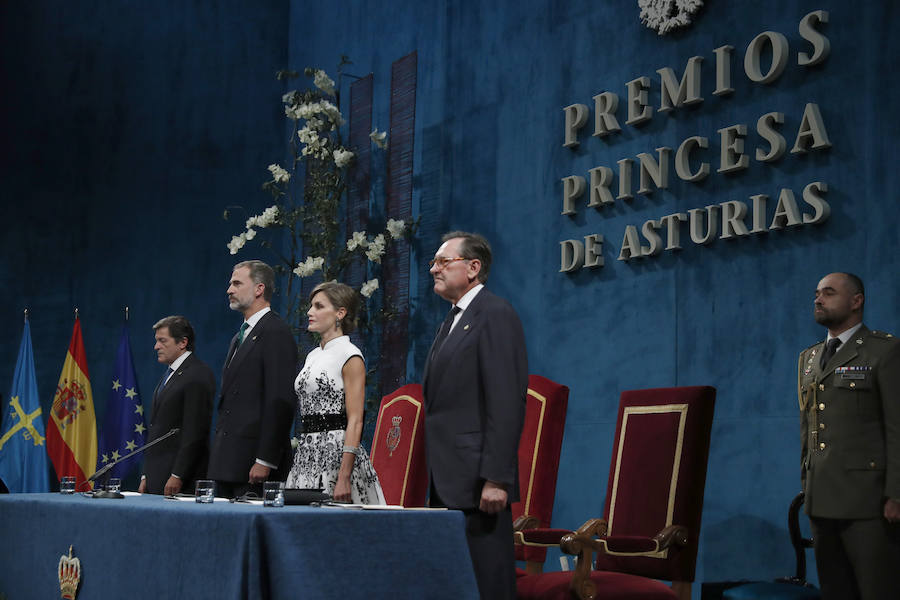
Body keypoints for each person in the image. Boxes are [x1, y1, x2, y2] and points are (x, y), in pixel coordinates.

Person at [423, 231, 528, 600]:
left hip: (478, 484)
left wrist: (497, 478)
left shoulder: (495, 314)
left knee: (486, 587)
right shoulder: (451, 320)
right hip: (446, 481)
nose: (433, 268)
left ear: (473, 267)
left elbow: (506, 401)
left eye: (442, 261)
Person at [798, 272, 900, 599]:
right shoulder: (809, 358)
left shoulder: (884, 351)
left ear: (857, 301)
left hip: (869, 502)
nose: (818, 299)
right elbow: (809, 426)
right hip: (821, 497)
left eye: (828, 293)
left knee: (876, 591)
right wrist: (806, 482)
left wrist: (897, 494)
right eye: (816, 293)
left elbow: (897, 426)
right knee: (835, 591)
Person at [285, 281, 385, 504]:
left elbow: (356, 420)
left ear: (340, 313)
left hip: (337, 455)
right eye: (311, 306)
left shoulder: (350, 355)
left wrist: (344, 475)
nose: (310, 312)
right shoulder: (313, 355)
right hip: (307, 454)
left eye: (319, 306)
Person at [207, 260, 298, 498]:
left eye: (237, 283)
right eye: (230, 284)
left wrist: (265, 459)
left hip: (253, 465)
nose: (229, 290)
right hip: (228, 463)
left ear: (259, 289)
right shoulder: (240, 336)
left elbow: (280, 400)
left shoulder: (276, 332)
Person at [139, 316, 215, 496]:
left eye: (162, 341)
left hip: (179, 481)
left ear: (182, 342)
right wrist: (145, 475)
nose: (156, 347)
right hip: (156, 477)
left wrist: (178, 474)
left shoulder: (197, 374)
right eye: (156, 341)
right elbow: (157, 429)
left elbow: (195, 431)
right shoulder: (170, 374)